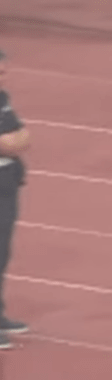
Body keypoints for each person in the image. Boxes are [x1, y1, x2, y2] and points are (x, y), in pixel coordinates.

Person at [0, 49, 31, 350]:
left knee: (2, 252)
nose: (3, 76)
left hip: (7, 183)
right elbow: (11, 140)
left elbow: (21, 138)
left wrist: (12, 142)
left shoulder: (2, 99)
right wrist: (11, 142)